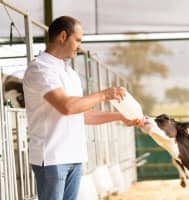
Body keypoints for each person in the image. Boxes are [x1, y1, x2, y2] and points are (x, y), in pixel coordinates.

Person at [23, 16, 143, 200]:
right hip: (53, 158)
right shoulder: (40, 69)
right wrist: (104, 94)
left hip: (75, 156)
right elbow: (67, 107)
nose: (79, 45)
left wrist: (120, 117)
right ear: (63, 36)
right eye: (77, 40)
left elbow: (82, 114)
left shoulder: (70, 73)